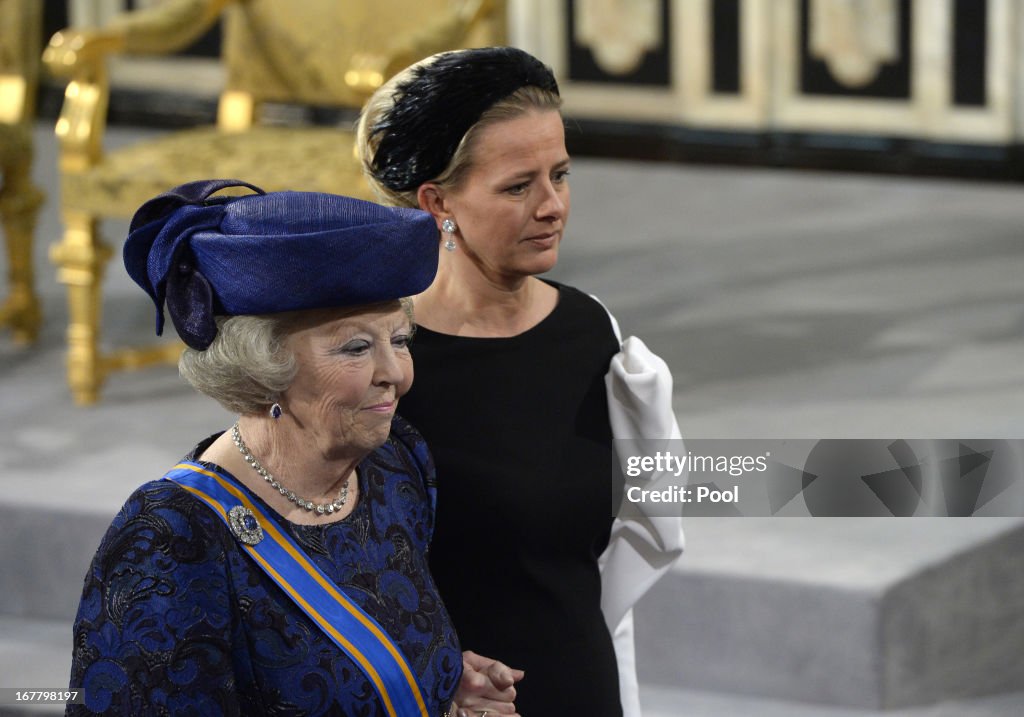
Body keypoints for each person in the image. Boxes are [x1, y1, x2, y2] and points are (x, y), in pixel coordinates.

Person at [67, 179, 519, 717]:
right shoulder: (170, 541)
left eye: (399, 340)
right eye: (355, 348)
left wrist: (439, 688)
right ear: (264, 370)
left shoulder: (394, 462)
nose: (395, 374)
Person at [357, 47, 686, 716]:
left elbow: (640, 530)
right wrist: (434, 673)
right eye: (518, 186)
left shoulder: (593, 332)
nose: (552, 206)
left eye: (560, 175)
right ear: (437, 201)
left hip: (577, 681)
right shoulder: (383, 358)